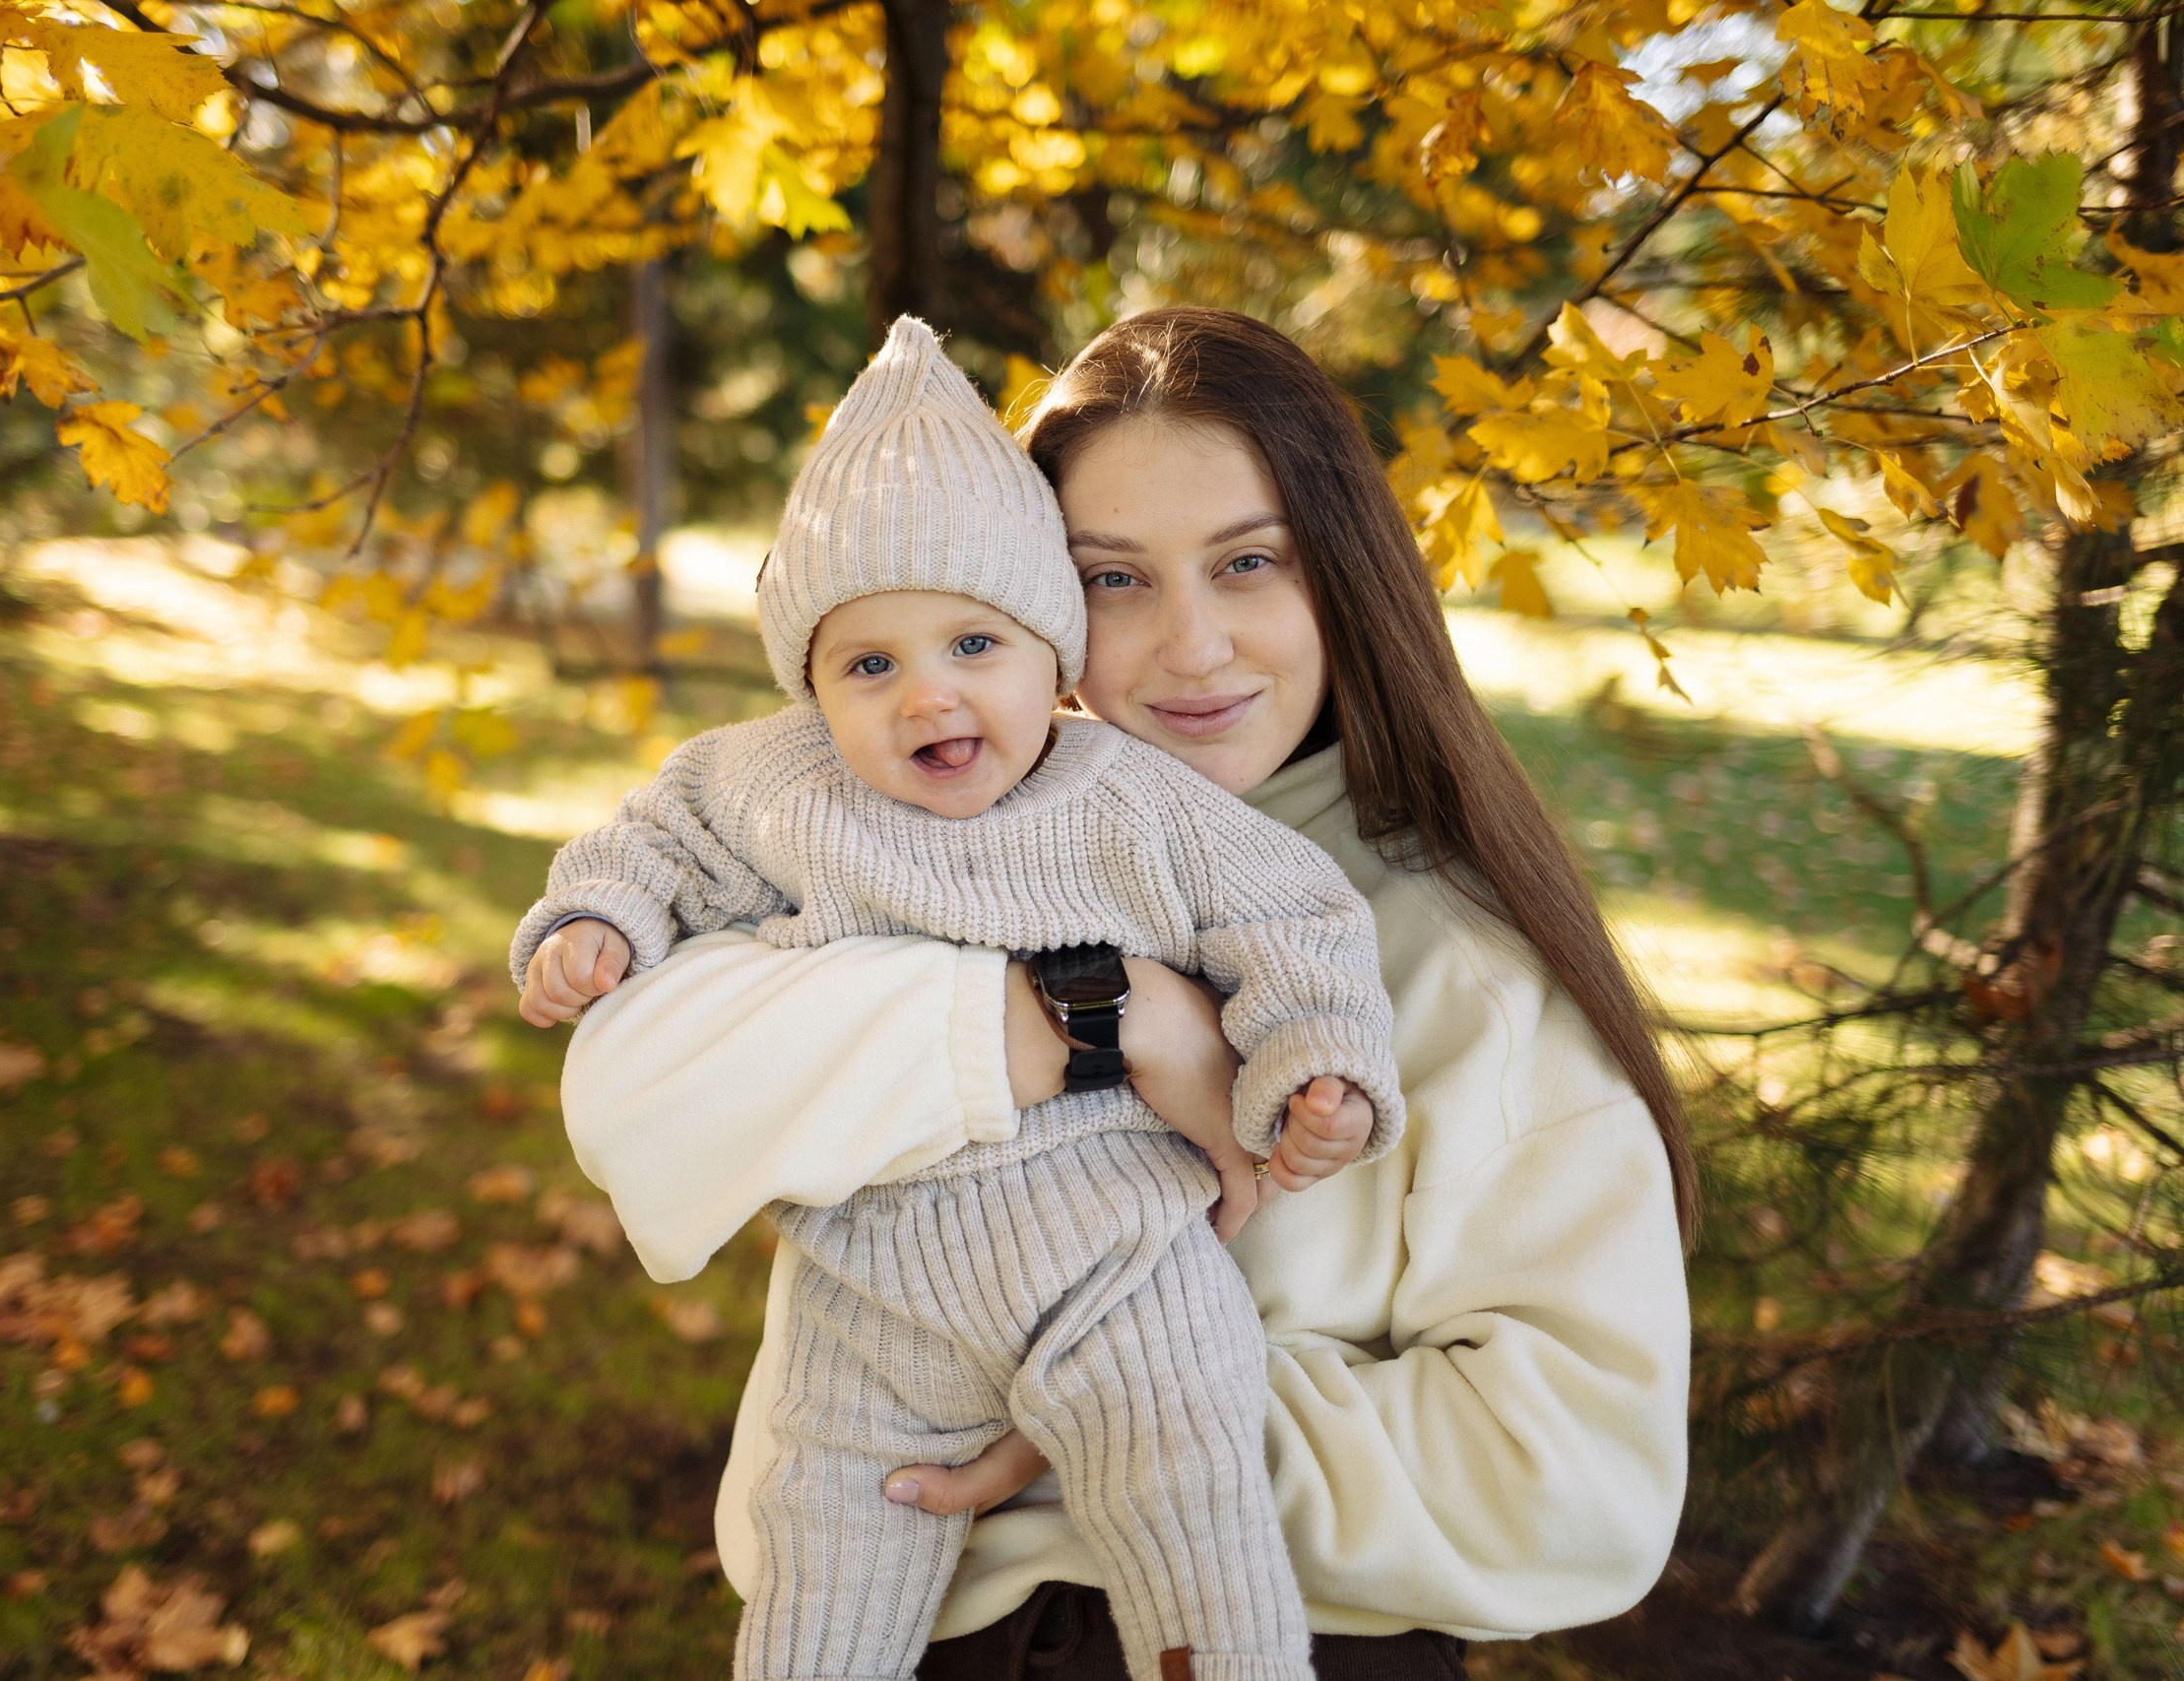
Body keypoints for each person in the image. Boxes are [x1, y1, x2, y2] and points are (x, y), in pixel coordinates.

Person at [559, 307, 1694, 1681]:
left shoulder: (1460, 967)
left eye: (1250, 563)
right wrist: (1083, 1021)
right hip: (907, 1623)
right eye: (1115, 579)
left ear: (1340, 576)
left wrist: (1118, 1414)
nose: (1192, 646)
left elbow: (1576, 1481)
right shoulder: (909, 850)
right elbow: (629, 1098)